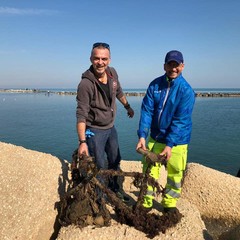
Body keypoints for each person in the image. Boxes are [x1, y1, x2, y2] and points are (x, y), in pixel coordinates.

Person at [136, 50, 195, 213]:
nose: (173, 68)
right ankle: (146, 201)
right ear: (164, 66)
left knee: (175, 174)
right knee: (149, 171)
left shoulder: (186, 91)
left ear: (182, 66)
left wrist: (169, 144)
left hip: (178, 141)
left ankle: (169, 203)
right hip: (155, 138)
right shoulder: (154, 85)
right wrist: (142, 135)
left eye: (176, 65)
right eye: (170, 64)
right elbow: (147, 110)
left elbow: (180, 121)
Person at [76, 42, 134, 201]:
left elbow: (118, 92)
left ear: (109, 60)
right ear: (91, 58)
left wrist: (127, 106)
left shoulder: (112, 73)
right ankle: (99, 198)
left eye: (104, 58)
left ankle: (117, 189)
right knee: (99, 165)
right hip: (94, 130)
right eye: (96, 58)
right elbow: (81, 114)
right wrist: (82, 142)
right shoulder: (86, 84)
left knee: (115, 159)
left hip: (110, 128)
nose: (100, 62)